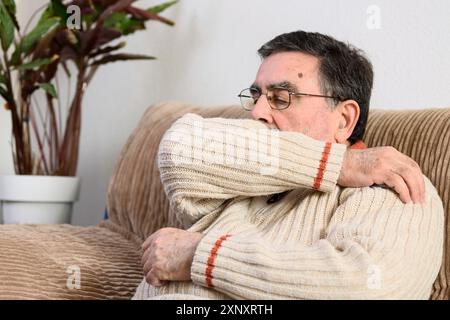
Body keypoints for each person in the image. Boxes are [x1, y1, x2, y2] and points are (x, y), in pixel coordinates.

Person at [133, 30, 444, 299]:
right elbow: (178, 151)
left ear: (344, 119)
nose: (257, 113)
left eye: (280, 98)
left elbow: (369, 286)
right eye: (255, 96)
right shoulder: (242, 174)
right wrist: (338, 164)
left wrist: (201, 256)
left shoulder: (392, 184)